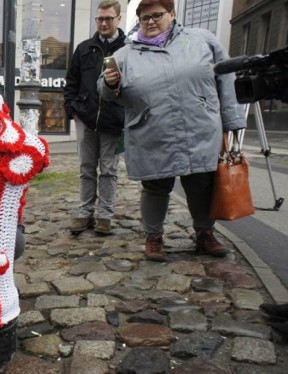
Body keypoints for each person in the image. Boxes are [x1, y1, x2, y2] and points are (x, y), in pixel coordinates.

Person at [97, 0, 245, 261]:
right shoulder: (125, 54)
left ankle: (205, 234)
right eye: (144, 18)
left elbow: (226, 77)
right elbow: (104, 92)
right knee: (155, 186)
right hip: (151, 132)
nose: (151, 21)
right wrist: (109, 85)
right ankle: (153, 238)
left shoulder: (202, 40)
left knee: (201, 184)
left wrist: (231, 119)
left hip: (198, 129)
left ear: (172, 14)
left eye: (157, 15)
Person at [64, 0, 126, 235]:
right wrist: (73, 110)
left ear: (118, 19)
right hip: (86, 119)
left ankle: (105, 216)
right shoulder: (84, 48)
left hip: (113, 121)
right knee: (86, 169)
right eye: (99, 18)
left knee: (109, 170)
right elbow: (71, 82)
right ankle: (85, 213)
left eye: (108, 18)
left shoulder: (128, 49)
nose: (103, 23)